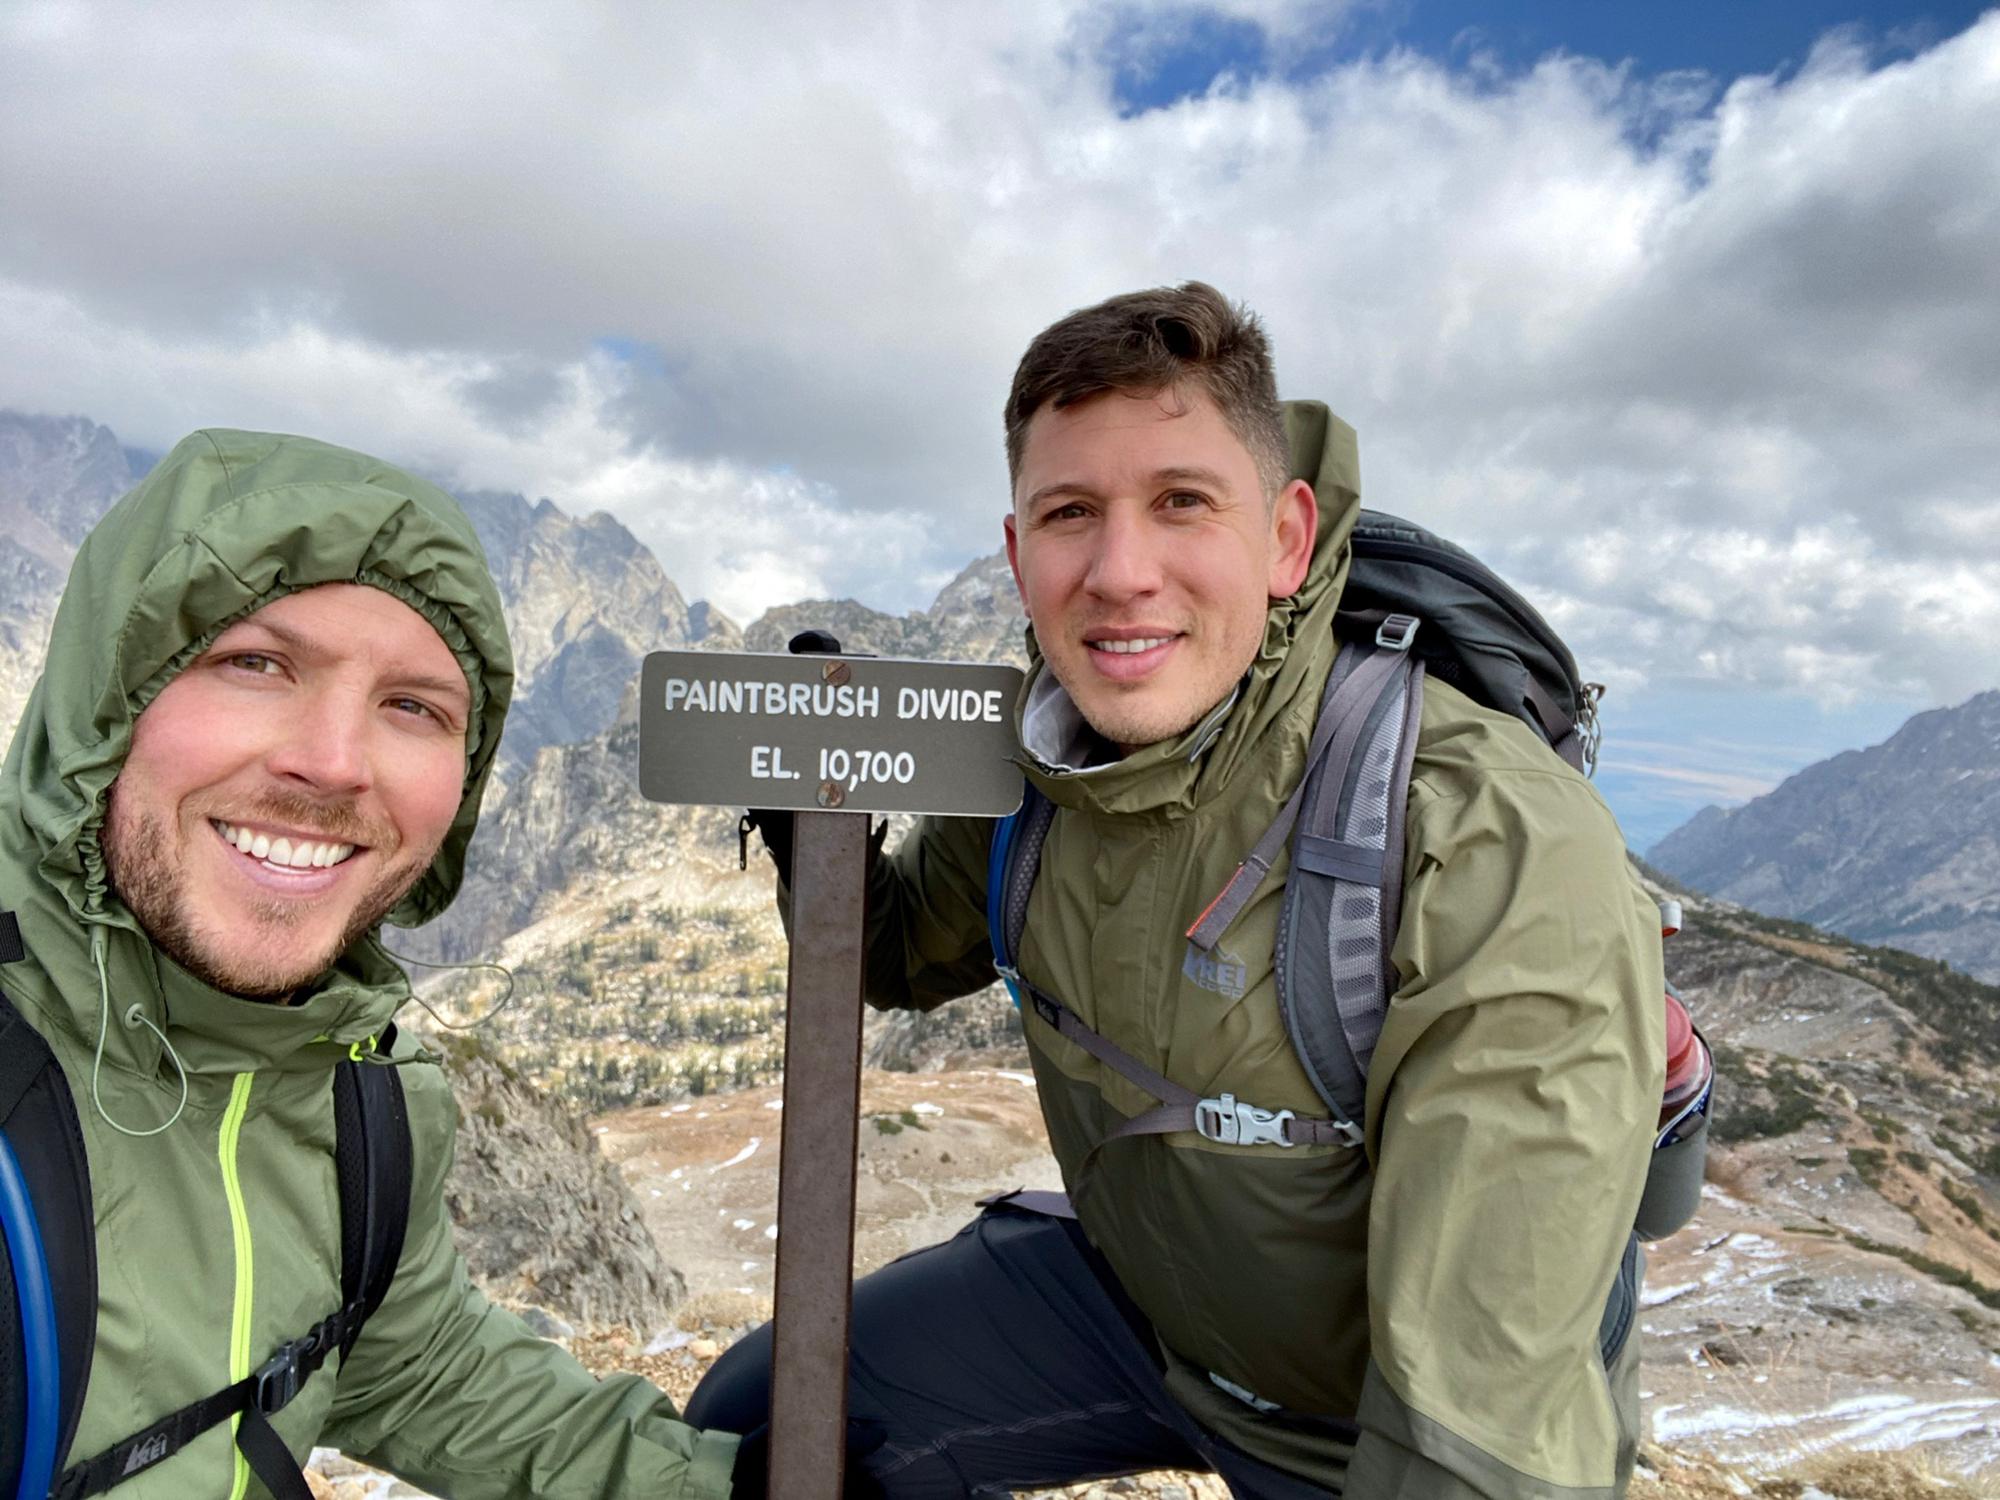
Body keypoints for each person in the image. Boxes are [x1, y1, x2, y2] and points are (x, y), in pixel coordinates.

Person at [696, 283, 1665, 1497]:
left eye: (1180, 504)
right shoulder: (1030, 762)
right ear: (1015, 553)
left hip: (1366, 1425)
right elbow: (893, 959)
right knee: (761, 1427)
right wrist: (814, 828)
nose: (1119, 572)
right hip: (1144, 1311)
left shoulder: (1480, 836)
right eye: (1068, 514)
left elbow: (1478, 1433)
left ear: (1285, 537)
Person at [0, 430, 748, 1499]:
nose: (333, 763)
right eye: (254, 663)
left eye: (413, 707)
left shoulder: (357, 1088)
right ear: (107, 700)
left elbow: (419, 1369)